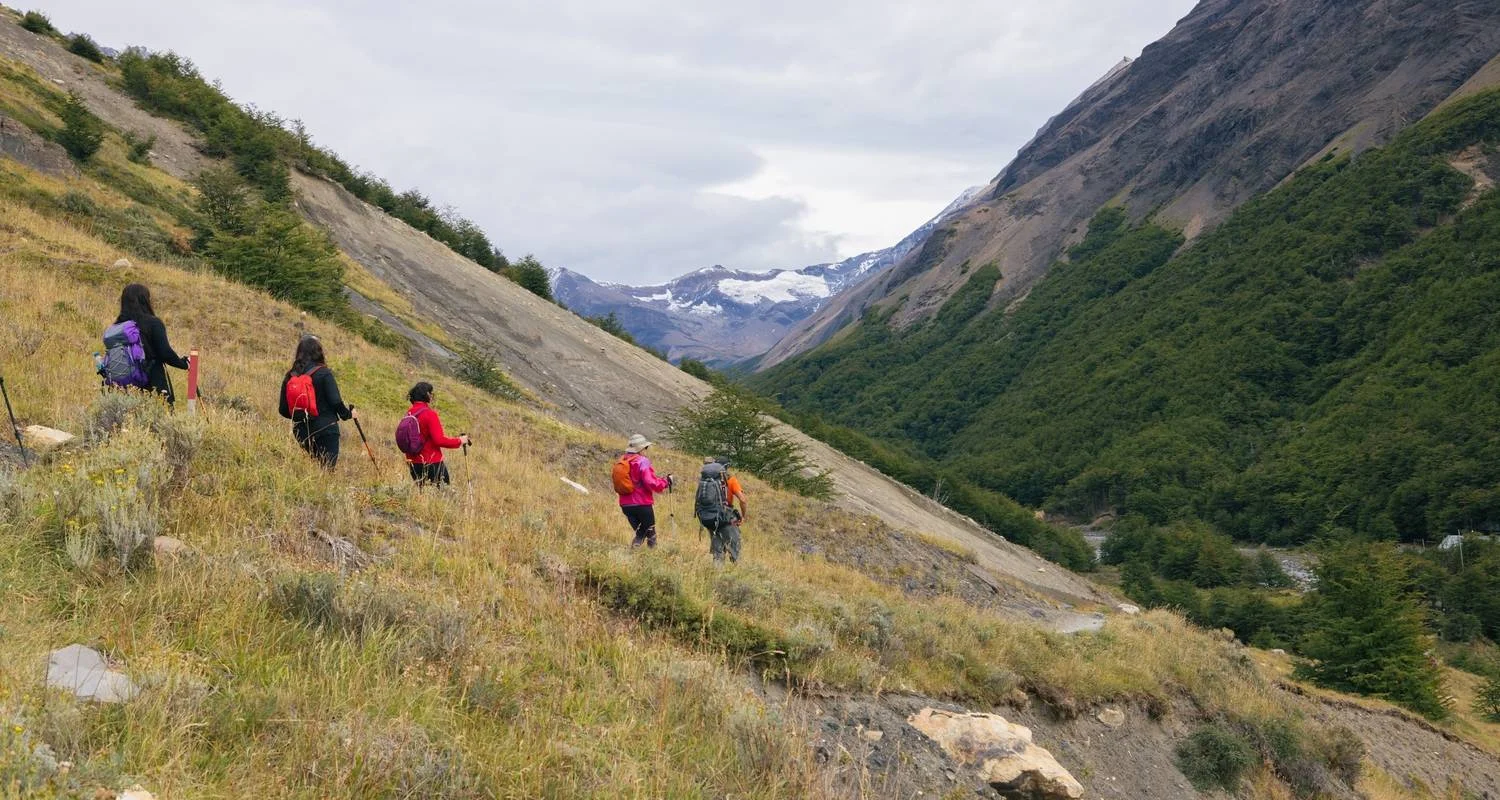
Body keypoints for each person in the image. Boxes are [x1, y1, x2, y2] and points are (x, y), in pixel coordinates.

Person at [278, 335, 355, 468]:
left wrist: (302, 415)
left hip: (302, 432)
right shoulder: (324, 373)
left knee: (314, 470)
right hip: (326, 429)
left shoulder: (291, 376)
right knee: (326, 471)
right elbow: (336, 402)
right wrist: (348, 414)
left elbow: (283, 410)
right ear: (319, 352)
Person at [111, 283, 189, 405]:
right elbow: (165, 353)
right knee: (161, 413)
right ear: (145, 300)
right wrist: (184, 363)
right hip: (152, 380)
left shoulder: (118, 326)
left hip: (123, 384)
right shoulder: (153, 323)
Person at [402, 381, 469, 485]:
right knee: (444, 493)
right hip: (432, 463)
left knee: (422, 493)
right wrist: (459, 441)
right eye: (431, 392)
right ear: (427, 394)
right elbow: (439, 440)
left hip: (413, 463)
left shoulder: (409, 413)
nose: (432, 395)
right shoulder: (430, 414)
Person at [616, 434, 672, 548]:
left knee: (641, 533)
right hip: (642, 503)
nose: (646, 450)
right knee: (650, 533)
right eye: (646, 447)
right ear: (641, 448)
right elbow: (650, 482)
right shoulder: (642, 461)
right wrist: (666, 482)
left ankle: (636, 554)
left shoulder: (622, 460)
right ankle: (651, 556)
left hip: (625, 505)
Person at [699, 456, 744, 564]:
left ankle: (717, 571)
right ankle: (737, 570)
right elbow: (743, 500)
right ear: (726, 467)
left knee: (718, 553)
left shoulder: (707, 481)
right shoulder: (731, 480)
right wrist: (743, 516)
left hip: (711, 518)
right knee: (735, 550)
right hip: (726, 518)